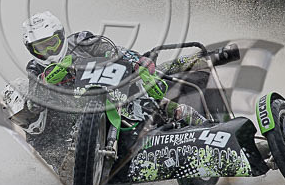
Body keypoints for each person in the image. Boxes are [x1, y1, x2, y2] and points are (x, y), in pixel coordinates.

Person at [18, 11, 207, 129]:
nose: (49, 52)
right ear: (31, 50)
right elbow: (34, 105)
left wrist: (139, 62)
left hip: (115, 95)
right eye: (40, 48)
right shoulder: (35, 68)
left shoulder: (81, 42)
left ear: (61, 36)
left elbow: (115, 52)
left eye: (52, 44)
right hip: (71, 118)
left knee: (161, 104)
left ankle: (207, 128)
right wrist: (46, 81)